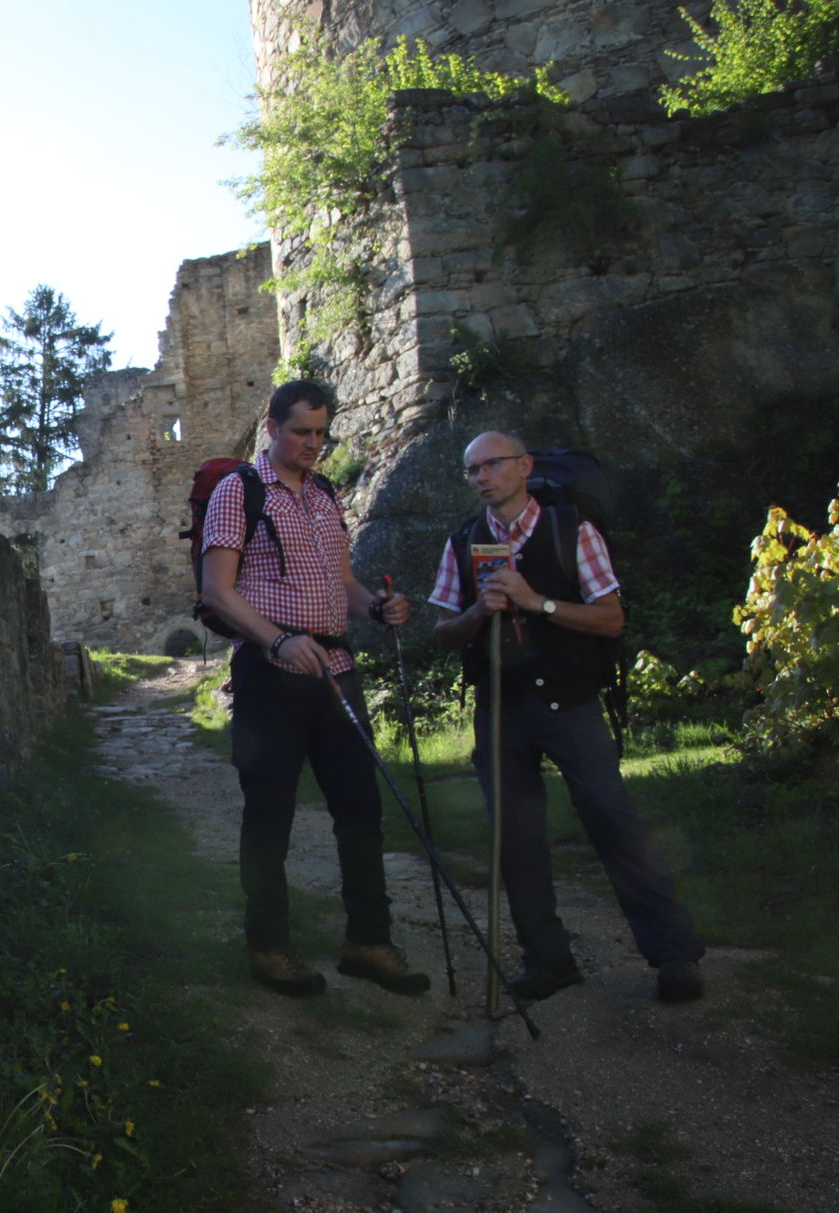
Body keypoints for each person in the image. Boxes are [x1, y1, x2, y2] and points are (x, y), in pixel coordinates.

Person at [429, 431, 705, 1003]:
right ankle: (548, 960)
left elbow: (611, 619)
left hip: (570, 703)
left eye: (493, 465)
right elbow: (442, 634)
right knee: (516, 838)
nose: (482, 476)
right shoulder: (464, 542)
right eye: (471, 469)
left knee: (612, 821)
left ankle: (675, 956)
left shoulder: (571, 531)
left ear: (524, 466)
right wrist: (481, 609)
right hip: (501, 709)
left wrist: (537, 603)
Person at [199, 380, 427, 997]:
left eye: (322, 433)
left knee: (361, 807)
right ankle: (269, 948)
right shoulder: (238, 492)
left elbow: (342, 583)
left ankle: (368, 941)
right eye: (301, 431)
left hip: (335, 666)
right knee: (270, 812)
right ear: (272, 427)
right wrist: (277, 641)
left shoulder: (325, 495)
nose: (313, 444)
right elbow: (218, 590)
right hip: (270, 669)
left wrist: (376, 608)